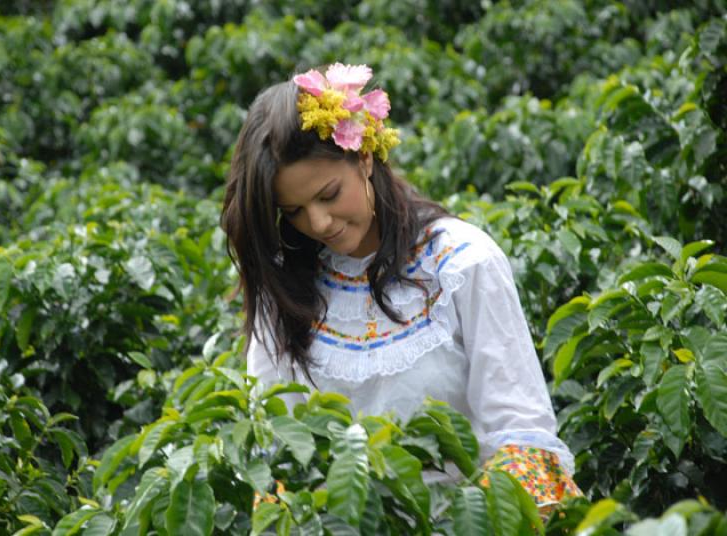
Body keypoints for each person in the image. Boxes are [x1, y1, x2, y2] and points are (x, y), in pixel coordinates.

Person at [221, 63, 581, 511]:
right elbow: (273, 453)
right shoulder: (286, 291)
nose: (318, 223)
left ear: (365, 158)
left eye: (329, 195)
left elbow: (519, 430)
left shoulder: (462, 265)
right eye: (293, 210)